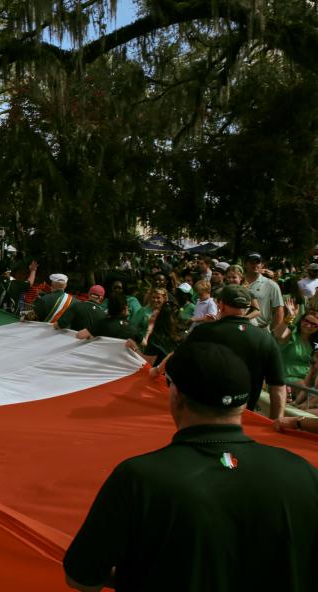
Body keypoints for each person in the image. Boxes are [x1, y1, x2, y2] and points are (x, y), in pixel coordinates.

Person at [63, 341, 318, 592]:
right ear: (243, 403)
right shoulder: (303, 472)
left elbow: (82, 577)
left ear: (177, 395)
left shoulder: (139, 478)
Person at [177, 285, 285, 419]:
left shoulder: (202, 332)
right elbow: (278, 387)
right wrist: (276, 424)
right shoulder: (265, 339)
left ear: (220, 305)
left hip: (202, 415)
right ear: (247, 308)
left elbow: (181, 372)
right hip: (244, 418)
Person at [244, 252, 284, 334]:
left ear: (262, 265)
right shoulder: (238, 282)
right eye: (251, 262)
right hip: (240, 328)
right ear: (245, 264)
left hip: (261, 330)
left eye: (258, 262)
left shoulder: (271, 285)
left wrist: (276, 332)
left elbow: (279, 310)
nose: (255, 265)